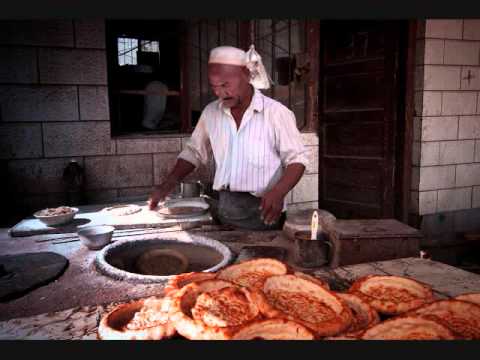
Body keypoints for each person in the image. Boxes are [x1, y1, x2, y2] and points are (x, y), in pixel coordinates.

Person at [148, 45, 309, 230]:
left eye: (225, 85)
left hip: (264, 210)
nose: (219, 93)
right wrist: (168, 183)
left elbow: (297, 159)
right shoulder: (211, 112)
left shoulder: (276, 113)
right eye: (214, 86)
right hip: (226, 207)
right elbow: (194, 152)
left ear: (247, 76)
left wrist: (279, 191)